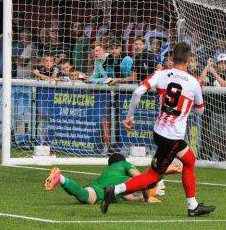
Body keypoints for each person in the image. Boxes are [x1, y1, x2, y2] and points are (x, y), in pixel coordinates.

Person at [100, 42, 215, 216]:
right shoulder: (193, 82)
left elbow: (138, 92)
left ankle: (193, 205)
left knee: (189, 161)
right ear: (189, 59)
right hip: (172, 136)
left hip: (159, 131)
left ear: (171, 57)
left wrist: (129, 117)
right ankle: (115, 190)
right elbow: (200, 110)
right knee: (153, 177)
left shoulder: (161, 74)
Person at [45, 153, 182, 204]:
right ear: (123, 160)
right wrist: (146, 199)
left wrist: (138, 198)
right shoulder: (124, 164)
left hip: (98, 187)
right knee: (148, 181)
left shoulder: (108, 172)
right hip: (117, 188)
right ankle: (162, 171)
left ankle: (61, 178)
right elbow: (140, 178)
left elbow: (128, 197)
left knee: (82, 194)